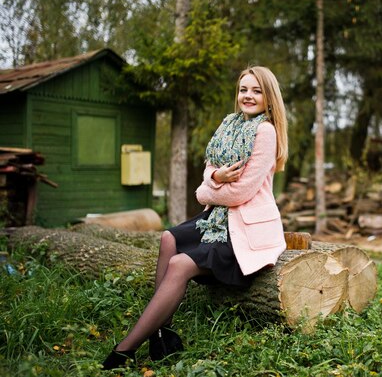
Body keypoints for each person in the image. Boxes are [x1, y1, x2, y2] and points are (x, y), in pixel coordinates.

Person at [102, 66, 288, 370]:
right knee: (168, 238)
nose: (248, 96)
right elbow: (208, 166)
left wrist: (205, 191)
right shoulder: (229, 124)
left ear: (269, 98)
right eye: (244, 89)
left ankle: (125, 350)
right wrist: (216, 174)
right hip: (217, 218)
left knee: (179, 263)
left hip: (243, 230)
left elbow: (240, 193)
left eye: (257, 91)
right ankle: (161, 332)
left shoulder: (265, 132)